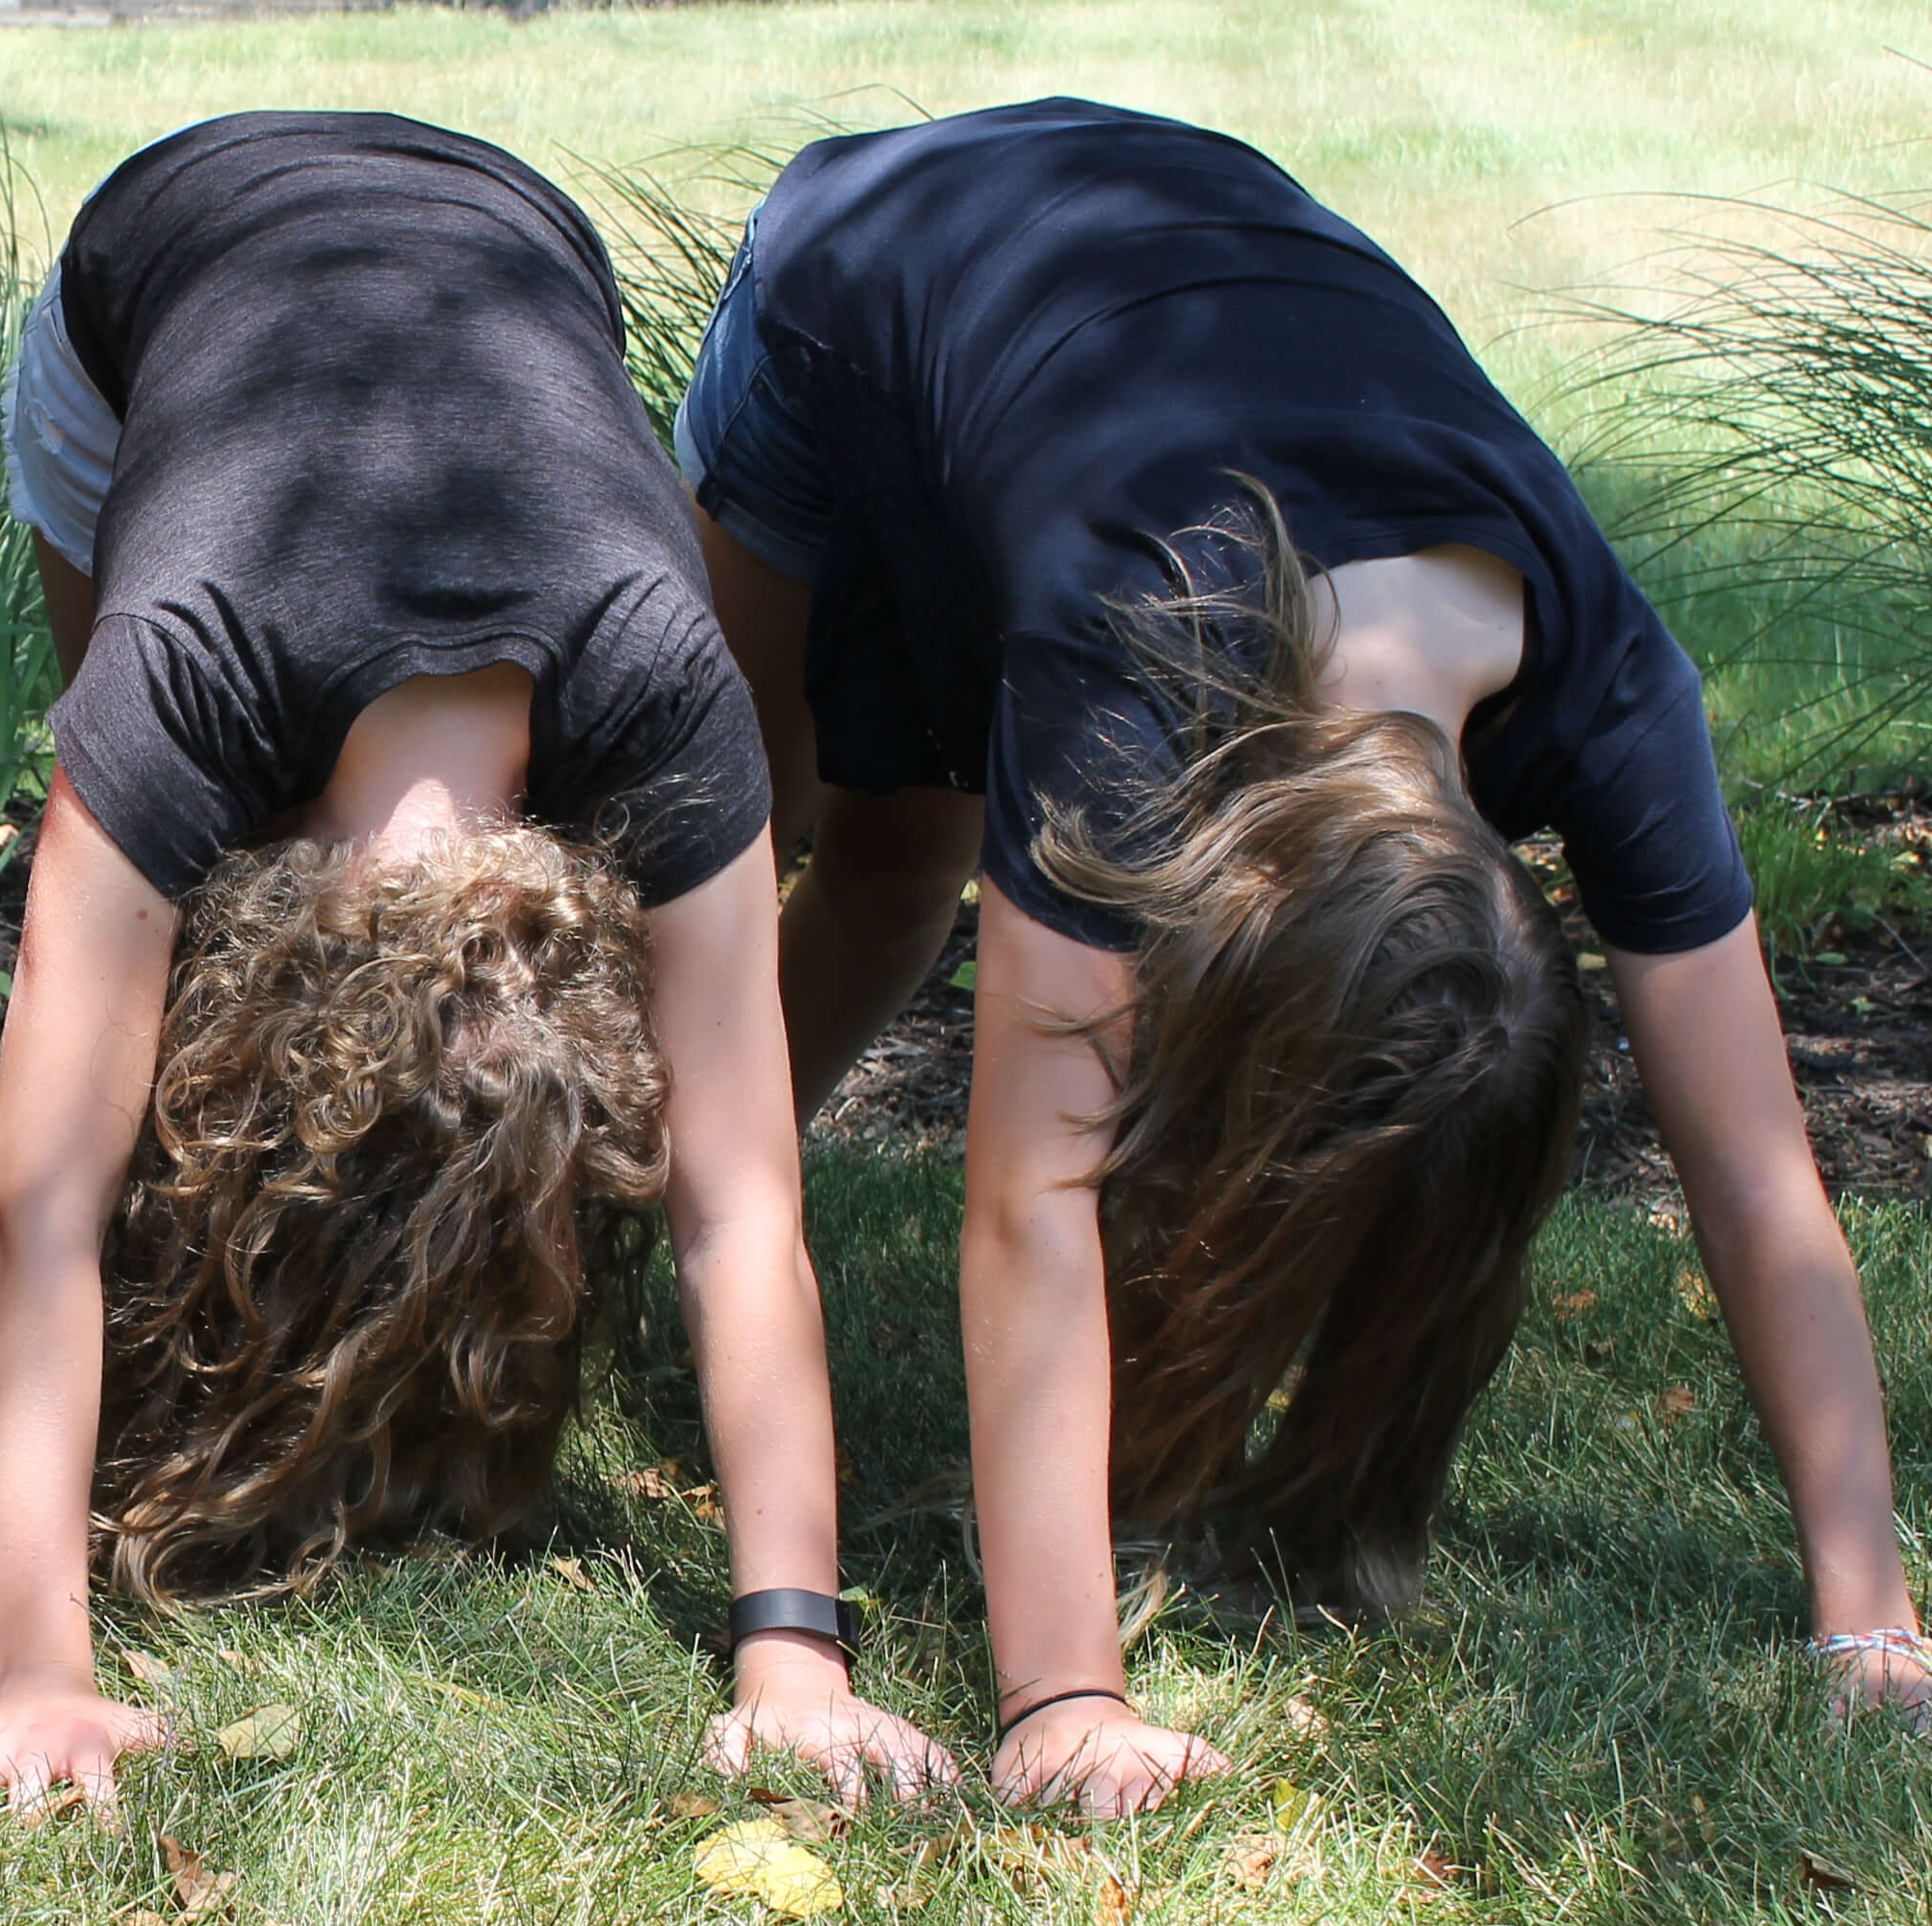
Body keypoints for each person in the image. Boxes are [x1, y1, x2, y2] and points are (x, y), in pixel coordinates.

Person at [671, 96, 1931, 1819]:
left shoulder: (1616, 690)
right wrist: (1065, 1698)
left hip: (1135, 323)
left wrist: (1869, 1619)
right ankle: (650, 1220)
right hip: (868, 271)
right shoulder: (1137, 665)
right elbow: (1030, 1199)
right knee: (769, 850)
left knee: (912, 852)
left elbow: (1761, 1171)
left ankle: (696, 1213)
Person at [0, 112, 952, 1808]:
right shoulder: (172, 690)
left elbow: (740, 1202)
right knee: (111, 1028)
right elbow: (31, 1206)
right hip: (157, 272)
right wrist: (36, 1673)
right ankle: (205, 1292)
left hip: (516, 246)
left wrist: (798, 1654)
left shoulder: (669, 701)